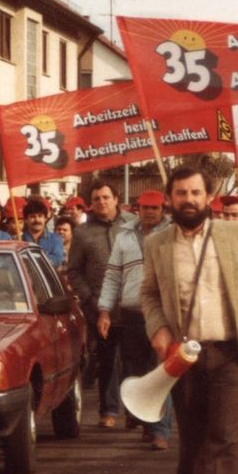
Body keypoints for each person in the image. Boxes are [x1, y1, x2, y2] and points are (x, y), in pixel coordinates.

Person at [137, 167, 238, 474]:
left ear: (208, 198)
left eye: (195, 193)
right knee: (192, 447)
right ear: (170, 198)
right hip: (183, 358)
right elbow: (149, 294)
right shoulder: (156, 244)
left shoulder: (234, 236)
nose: (188, 200)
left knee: (224, 441)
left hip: (230, 355)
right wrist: (158, 330)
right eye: (181, 193)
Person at [97, 189, 174, 451]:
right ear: (137, 209)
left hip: (164, 312)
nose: (150, 212)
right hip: (132, 312)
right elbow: (112, 276)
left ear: (163, 209)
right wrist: (105, 310)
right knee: (136, 370)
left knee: (162, 370)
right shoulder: (125, 236)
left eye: (155, 208)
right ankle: (146, 421)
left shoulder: (173, 234)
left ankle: (160, 430)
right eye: (146, 208)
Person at [66, 180, 137, 428]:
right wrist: (88, 297)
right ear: (91, 203)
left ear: (116, 199)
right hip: (99, 307)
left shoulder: (132, 225)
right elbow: (73, 271)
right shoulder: (83, 233)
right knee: (107, 359)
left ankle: (134, 411)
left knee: (133, 360)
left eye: (106, 197)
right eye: (97, 199)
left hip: (131, 305)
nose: (102, 202)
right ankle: (109, 410)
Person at [21, 198, 65, 267]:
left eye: (40, 216)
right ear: (26, 220)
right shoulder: (19, 239)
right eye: (33, 216)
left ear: (45, 218)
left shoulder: (55, 239)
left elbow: (57, 260)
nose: (37, 220)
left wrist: (30, 260)